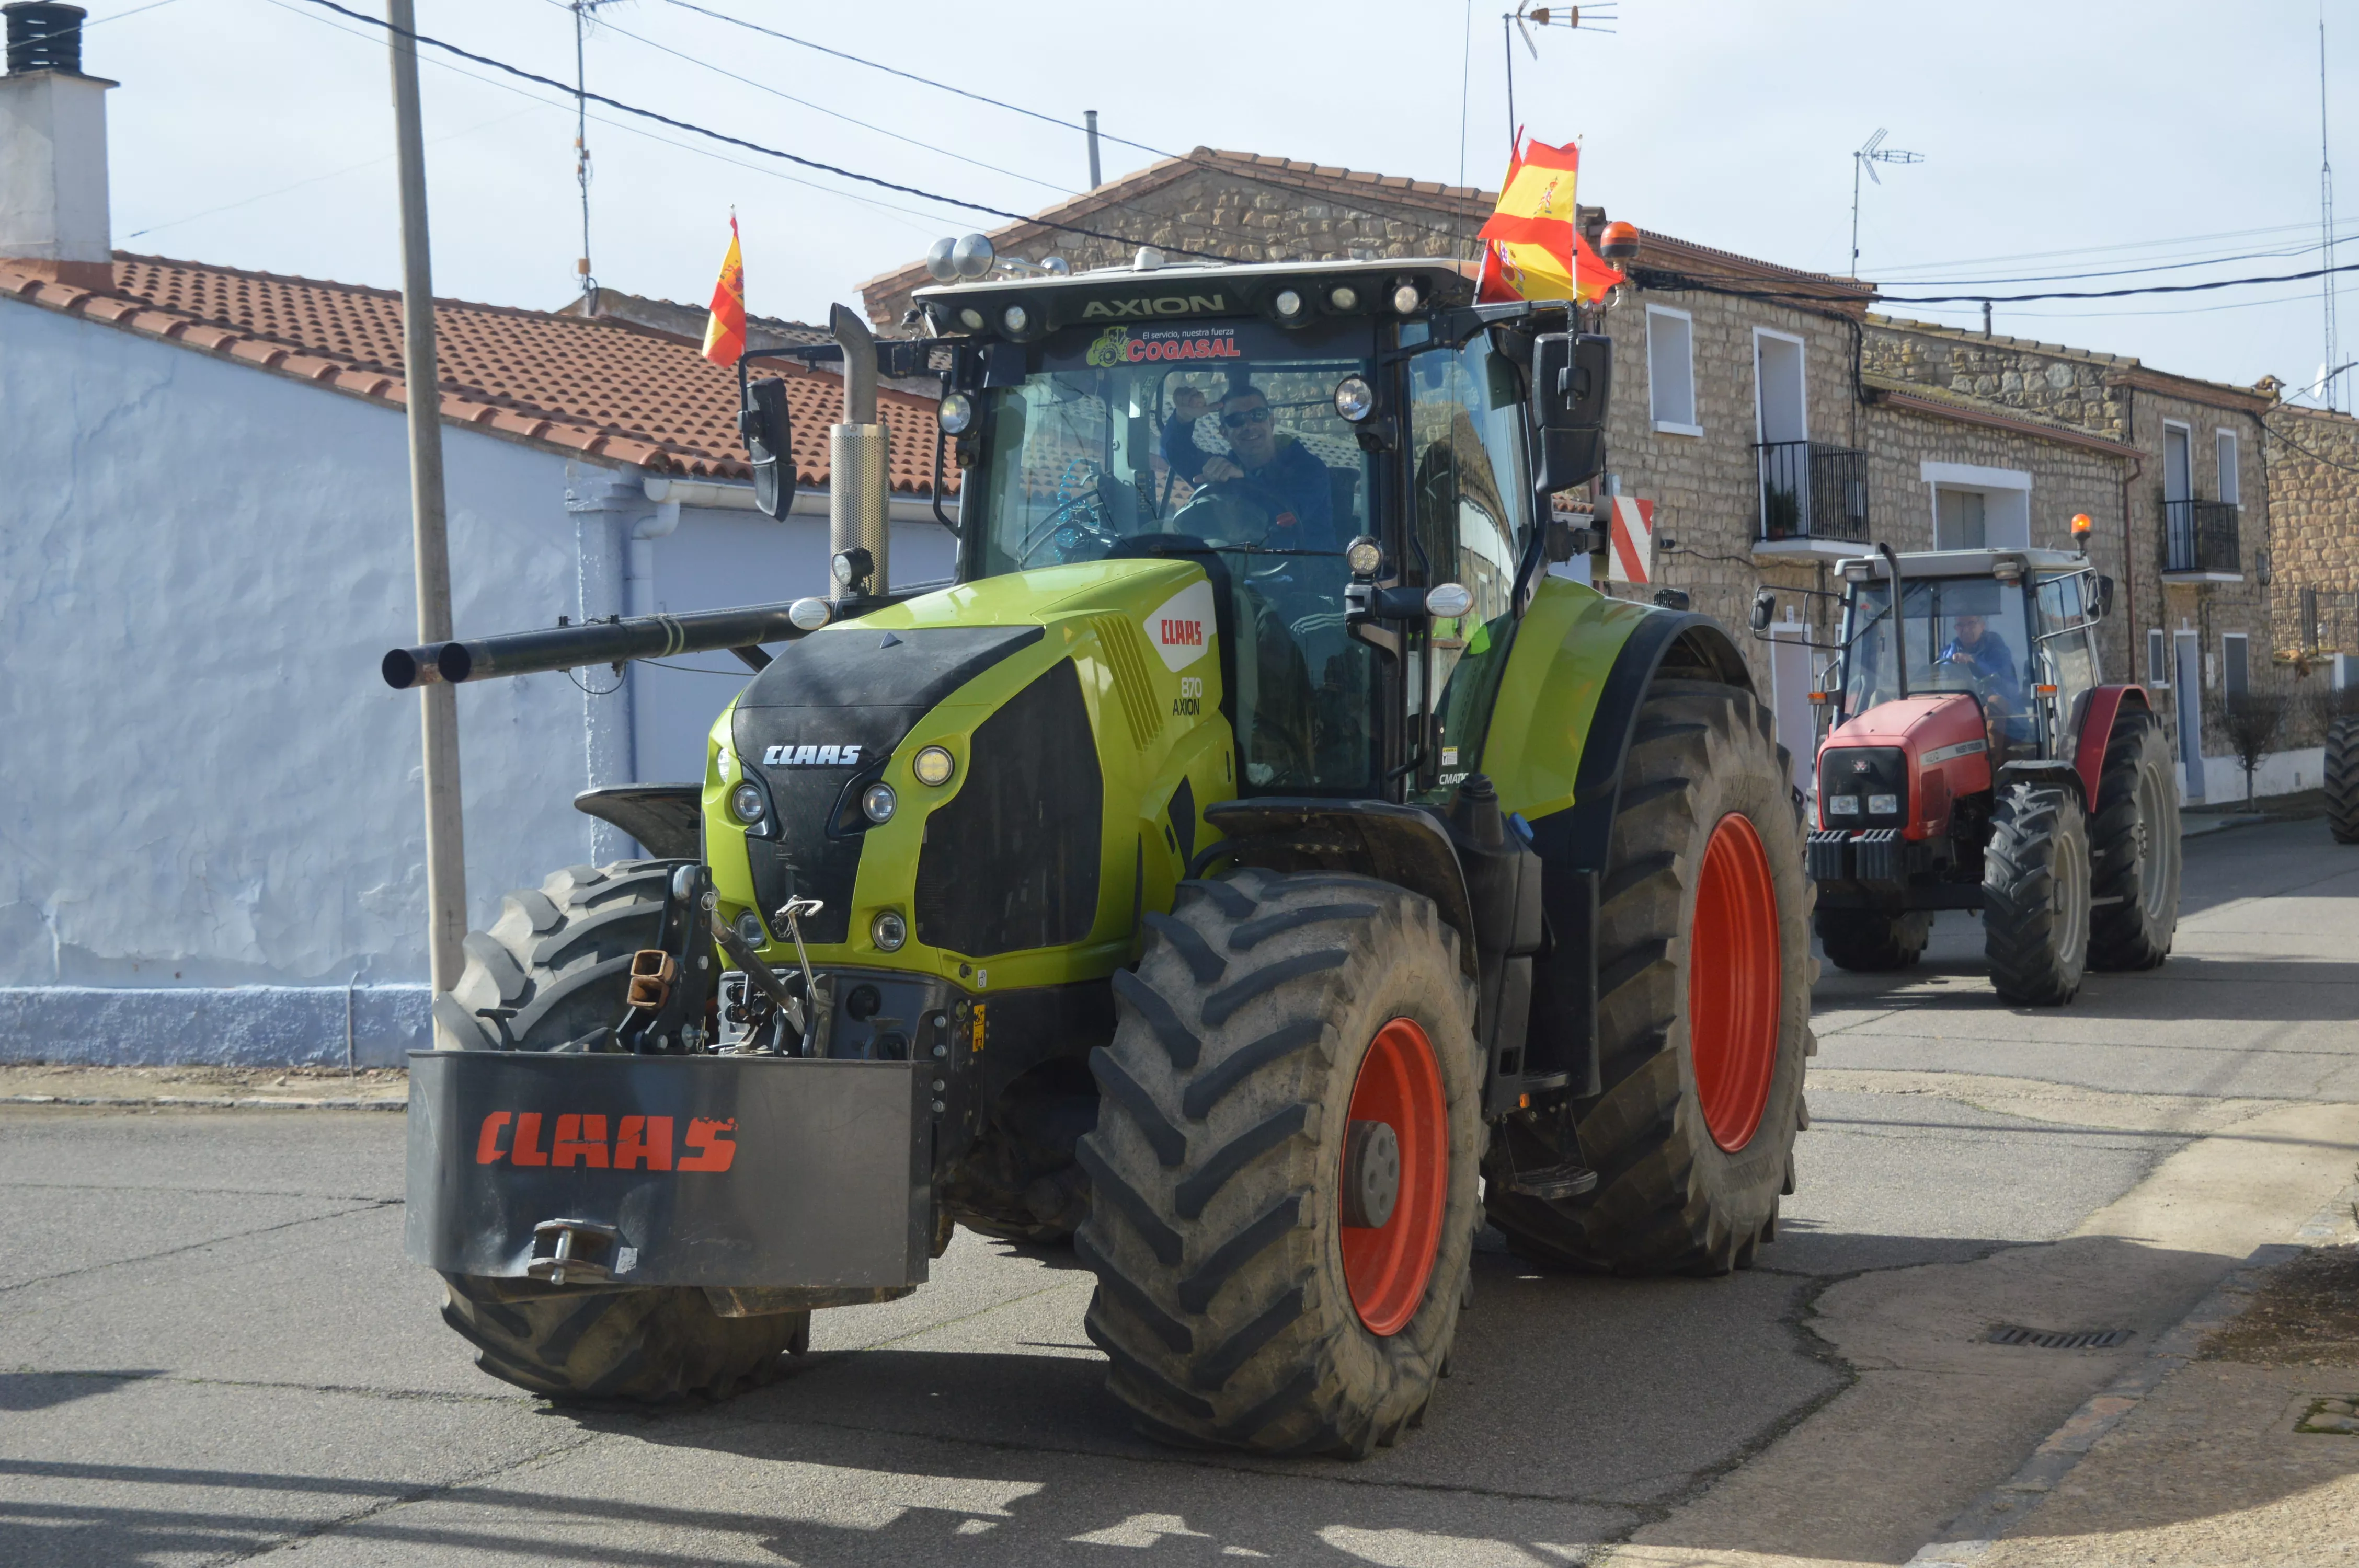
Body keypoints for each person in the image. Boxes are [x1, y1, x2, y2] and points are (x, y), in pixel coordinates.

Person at [1162, 381, 1336, 547]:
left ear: (1271, 422)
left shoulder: (1309, 469)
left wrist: (1244, 482)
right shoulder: (1221, 470)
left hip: (1307, 569)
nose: (1249, 425)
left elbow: (1286, 515)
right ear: (1224, 432)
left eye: (1258, 415)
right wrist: (1183, 419)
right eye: (1236, 420)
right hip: (1238, 570)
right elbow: (1175, 453)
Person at [1938, 612, 2022, 705]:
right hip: (1959, 705)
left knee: (1995, 702)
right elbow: (1941, 681)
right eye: (1960, 625)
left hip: (2001, 711)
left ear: (1982, 626)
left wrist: (1973, 663)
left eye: (1971, 624)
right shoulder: (1947, 653)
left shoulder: (1999, 651)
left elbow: (2005, 684)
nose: (1966, 630)